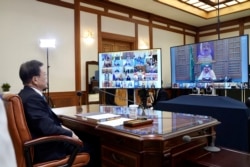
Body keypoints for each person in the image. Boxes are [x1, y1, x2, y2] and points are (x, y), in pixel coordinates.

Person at [18, 60, 99, 166]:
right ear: (35, 80)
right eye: (45, 75)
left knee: (88, 138)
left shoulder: (25, 94)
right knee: (96, 145)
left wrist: (65, 128)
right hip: (48, 149)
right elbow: (47, 128)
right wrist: (71, 134)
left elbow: (46, 123)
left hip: (44, 143)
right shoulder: (32, 98)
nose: (47, 78)